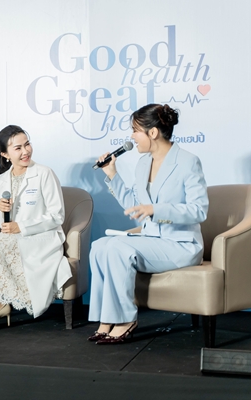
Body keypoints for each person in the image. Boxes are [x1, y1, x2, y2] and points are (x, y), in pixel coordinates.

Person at [88, 104, 208, 345]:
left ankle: (125, 320)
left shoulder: (188, 162)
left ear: (153, 132)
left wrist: (156, 210)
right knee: (100, 246)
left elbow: (199, 210)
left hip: (181, 244)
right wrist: (112, 174)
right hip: (152, 240)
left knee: (117, 248)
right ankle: (106, 318)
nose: (132, 137)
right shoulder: (143, 163)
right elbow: (135, 206)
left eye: (135, 131)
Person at [0, 125, 71, 335]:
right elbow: (2, 223)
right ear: (5, 154)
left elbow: (57, 216)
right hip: (14, 239)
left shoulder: (44, 173)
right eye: (18, 148)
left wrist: (21, 226)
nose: (25, 151)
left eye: (27, 144)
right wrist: (1, 210)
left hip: (42, 238)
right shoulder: (3, 179)